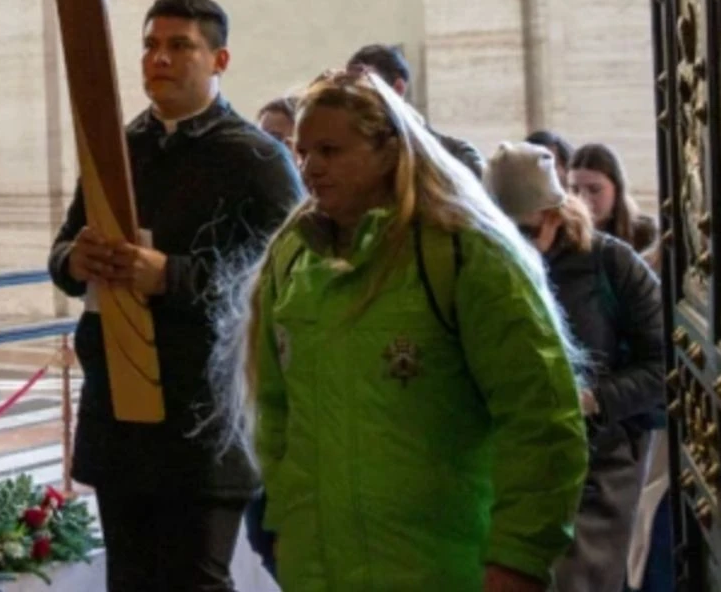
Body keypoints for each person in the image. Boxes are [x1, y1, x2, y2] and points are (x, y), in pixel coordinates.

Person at [242, 69, 587, 591]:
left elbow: (539, 416)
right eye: (302, 152)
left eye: (330, 151)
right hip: (320, 569)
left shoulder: (463, 252)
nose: (310, 168)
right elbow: (275, 413)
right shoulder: (292, 260)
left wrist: (519, 555)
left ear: (387, 149)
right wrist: (283, 527)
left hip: (444, 566)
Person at [48, 0, 303, 592]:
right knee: (131, 580)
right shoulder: (115, 150)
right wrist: (74, 259)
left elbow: (291, 279)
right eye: (150, 45)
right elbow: (61, 251)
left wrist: (171, 276)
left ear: (220, 60)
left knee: (194, 580)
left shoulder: (258, 158)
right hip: (121, 409)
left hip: (205, 415)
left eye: (179, 46)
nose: (159, 58)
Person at [485, 143, 665, 592]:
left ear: (553, 214)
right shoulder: (482, 264)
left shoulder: (611, 264)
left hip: (598, 462)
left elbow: (666, 363)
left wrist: (593, 400)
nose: (512, 246)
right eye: (497, 232)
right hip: (511, 462)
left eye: (523, 232)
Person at [347, 43, 486, 178]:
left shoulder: (461, 157)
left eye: (367, 90)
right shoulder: (345, 158)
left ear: (398, 88)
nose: (354, 102)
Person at [569, 143, 658, 254]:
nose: (582, 200)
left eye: (595, 190)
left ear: (616, 190)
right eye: (574, 190)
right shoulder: (560, 237)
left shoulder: (644, 235)